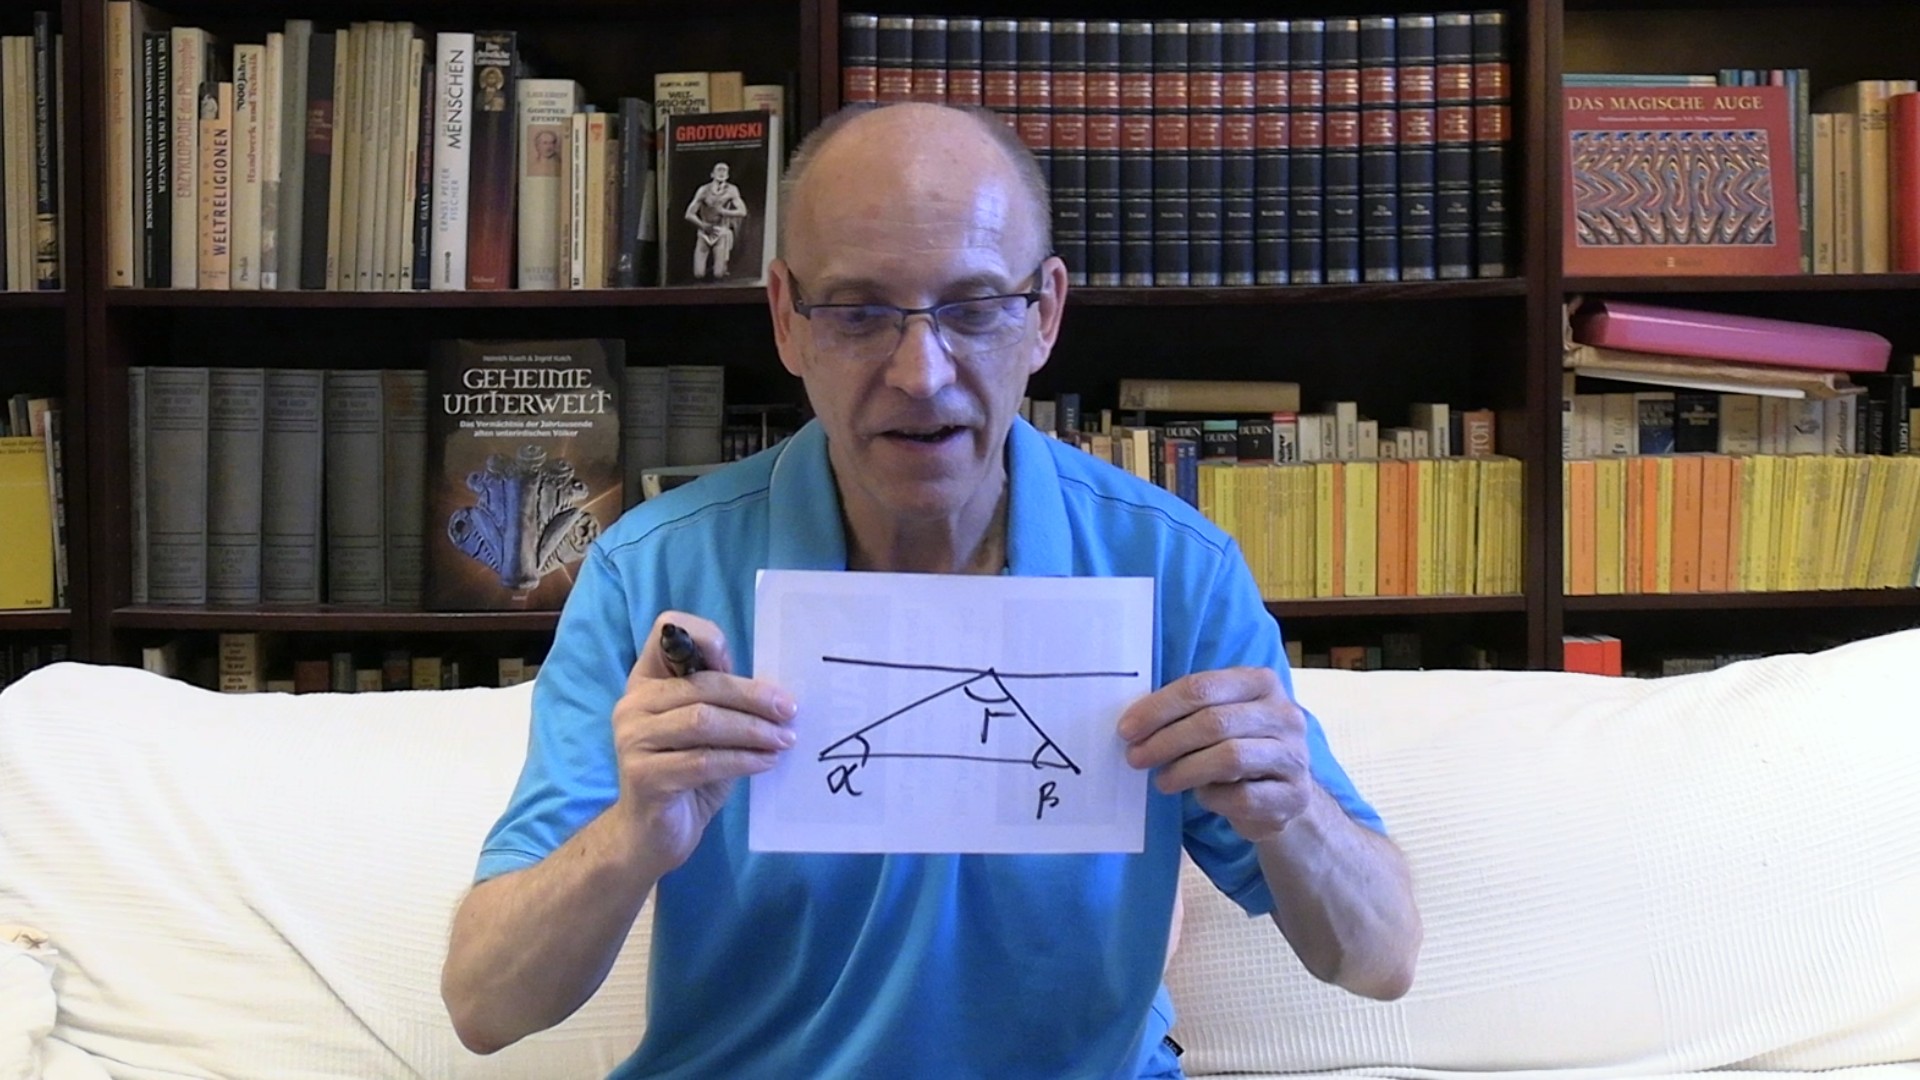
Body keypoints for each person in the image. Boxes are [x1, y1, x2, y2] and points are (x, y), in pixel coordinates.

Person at [441, 101, 1421, 1078]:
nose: (920, 373)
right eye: (859, 312)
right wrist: (633, 838)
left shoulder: (1172, 569)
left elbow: (1379, 960)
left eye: (975, 307)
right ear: (786, 319)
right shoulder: (651, 574)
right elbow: (486, 1005)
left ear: (1044, 315)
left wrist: (1292, 809)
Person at [685, 161, 748, 280]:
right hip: (704, 231)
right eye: (719, 170)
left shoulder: (732, 190)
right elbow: (689, 214)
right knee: (698, 273)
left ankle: (721, 268)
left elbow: (742, 211)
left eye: (724, 170)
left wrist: (724, 211)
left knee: (719, 274)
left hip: (721, 231)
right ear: (712, 174)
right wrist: (702, 226)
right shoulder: (704, 190)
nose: (721, 173)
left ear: (727, 175)